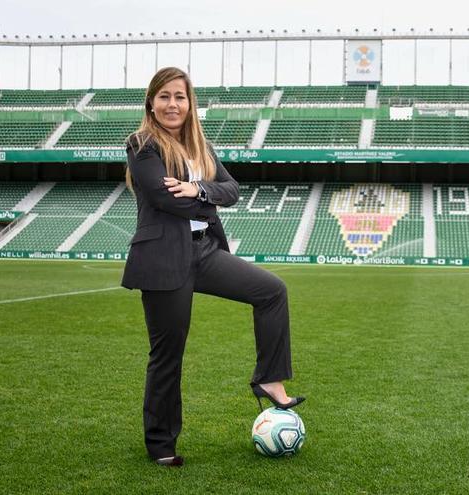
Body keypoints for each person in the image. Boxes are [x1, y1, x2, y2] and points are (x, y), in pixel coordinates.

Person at [122, 67, 304, 467]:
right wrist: (205, 198)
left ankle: (269, 379)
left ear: (191, 104)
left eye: (180, 97)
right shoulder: (142, 144)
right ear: (151, 102)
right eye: (165, 96)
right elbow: (162, 197)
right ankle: (161, 445)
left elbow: (233, 190)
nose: (173, 104)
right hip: (162, 258)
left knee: (271, 291)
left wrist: (199, 187)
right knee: (168, 354)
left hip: (203, 252)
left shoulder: (199, 149)